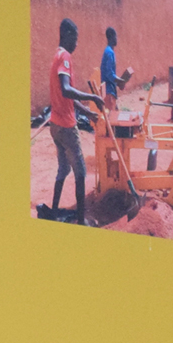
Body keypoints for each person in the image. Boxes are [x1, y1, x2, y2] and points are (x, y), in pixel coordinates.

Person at [45, 17, 107, 223]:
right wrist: (93, 97)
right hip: (66, 127)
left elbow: (67, 97)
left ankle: (54, 211)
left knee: (63, 169)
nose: (77, 43)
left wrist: (87, 112)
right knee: (81, 173)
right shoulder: (65, 57)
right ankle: (81, 220)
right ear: (67, 35)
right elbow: (66, 89)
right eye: (76, 38)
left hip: (55, 125)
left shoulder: (56, 56)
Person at [99, 26, 133, 111]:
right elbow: (109, 74)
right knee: (111, 116)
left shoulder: (108, 51)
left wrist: (119, 82)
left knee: (114, 113)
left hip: (109, 90)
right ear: (112, 37)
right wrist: (121, 81)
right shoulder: (110, 52)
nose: (116, 39)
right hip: (108, 92)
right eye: (115, 37)